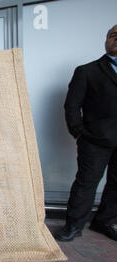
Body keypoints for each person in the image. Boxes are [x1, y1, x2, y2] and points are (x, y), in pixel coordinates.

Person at [55, 25, 117, 242]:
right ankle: (73, 225)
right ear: (106, 41)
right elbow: (72, 105)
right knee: (86, 183)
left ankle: (105, 221)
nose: (116, 39)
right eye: (112, 35)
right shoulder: (87, 71)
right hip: (95, 140)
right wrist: (79, 133)